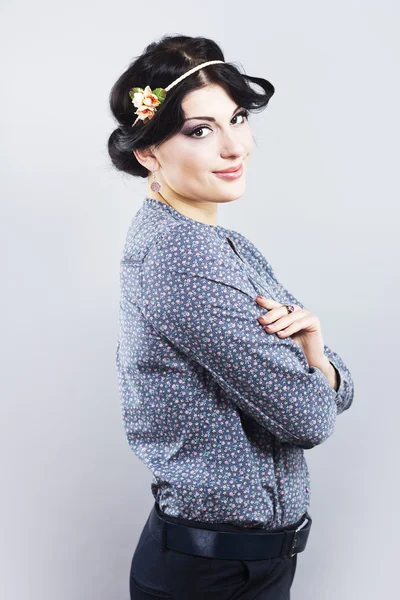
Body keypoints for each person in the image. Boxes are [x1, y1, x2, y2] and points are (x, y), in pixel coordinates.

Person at [108, 34, 355, 600]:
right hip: (213, 575)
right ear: (148, 152)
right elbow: (310, 419)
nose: (234, 147)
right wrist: (317, 365)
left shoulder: (223, 243)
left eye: (238, 119)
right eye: (200, 130)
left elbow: (336, 393)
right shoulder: (182, 257)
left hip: (242, 565)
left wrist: (314, 355)